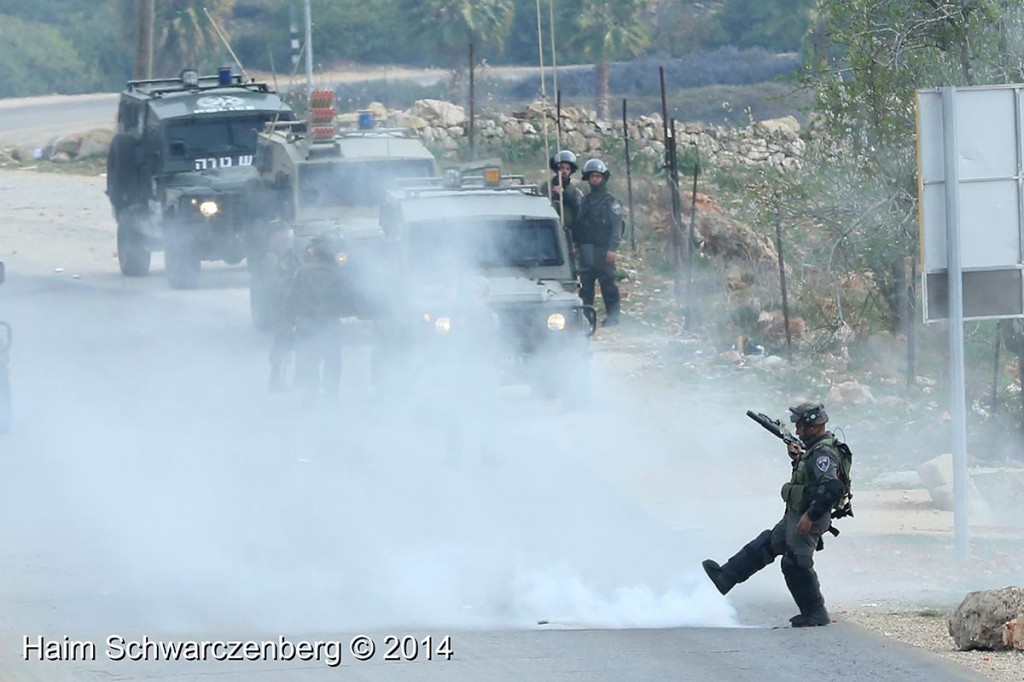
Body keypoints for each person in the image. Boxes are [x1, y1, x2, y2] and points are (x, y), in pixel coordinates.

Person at [701, 402, 845, 627]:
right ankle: (724, 577)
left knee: (795, 562)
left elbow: (833, 488)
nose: (797, 431)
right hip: (797, 513)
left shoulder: (822, 452)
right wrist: (797, 459)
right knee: (768, 543)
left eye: (800, 426)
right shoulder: (813, 451)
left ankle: (815, 613)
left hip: (808, 515)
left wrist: (810, 517)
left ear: (812, 427)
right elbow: (809, 479)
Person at [286, 231, 347, 404]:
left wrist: (289, 322)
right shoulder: (339, 274)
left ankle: (310, 394)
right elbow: (345, 300)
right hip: (330, 323)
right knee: (332, 361)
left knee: (310, 359)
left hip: (308, 323)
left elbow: (291, 299)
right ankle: (331, 394)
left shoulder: (302, 272)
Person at [573, 158, 623, 327]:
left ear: (603, 178)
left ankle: (613, 317)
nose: (594, 179)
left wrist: (612, 249)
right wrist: (576, 245)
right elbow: (579, 225)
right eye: (591, 176)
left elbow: (616, 227)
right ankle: (587, 318)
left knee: (608, 284)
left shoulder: (611, 202)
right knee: (586, 286)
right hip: (587, 248)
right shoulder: (585, 201)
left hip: (604, 249)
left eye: (597, 176)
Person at [262, 224, 302, 392]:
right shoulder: (271, 258)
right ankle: (276, 380)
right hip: (279, 307)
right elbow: (271, 285)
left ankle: (291, 379)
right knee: (281, 344)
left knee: (293, 343)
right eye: (282, 239)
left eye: (288, 239)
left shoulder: (293, 257)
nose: (286, 242)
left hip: (293, 306)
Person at [540, 150, 584, 230]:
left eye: (568, 169)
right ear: (557, 169)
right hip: (547, 228)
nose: (564, 171)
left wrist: (564, 195)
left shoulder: (574, 190)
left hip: (567, 229)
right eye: (562, 168)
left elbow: (579, 207)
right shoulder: (546, 187)